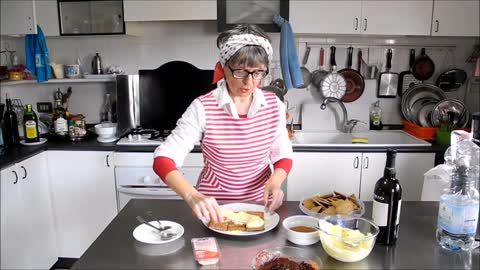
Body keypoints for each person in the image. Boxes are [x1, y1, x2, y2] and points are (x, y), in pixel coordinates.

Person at [153, 24, 293, 224]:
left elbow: (283, 155)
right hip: (213, 210)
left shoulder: (273, 106)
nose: (248, 82)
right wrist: (192, 195)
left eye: (257, 73)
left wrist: (276, 181)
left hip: (260, 208)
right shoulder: (203, 108)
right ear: (223, 67)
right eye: (240, 72)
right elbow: (163, 158)